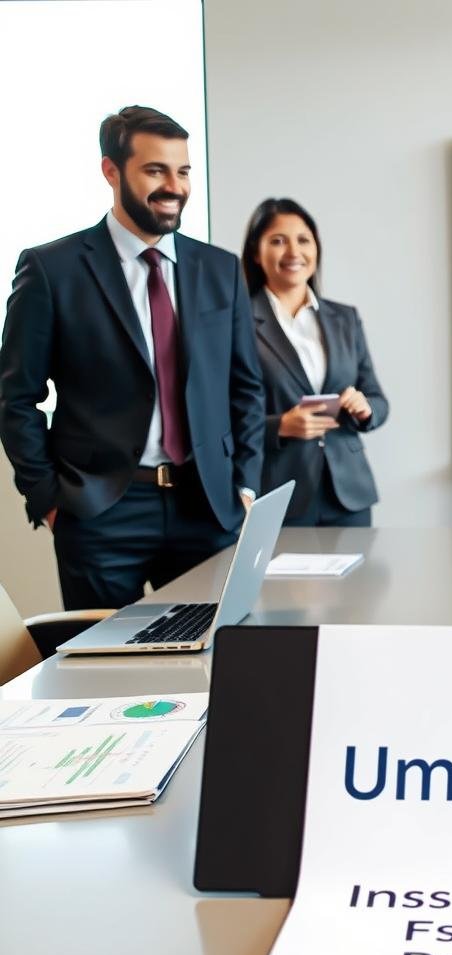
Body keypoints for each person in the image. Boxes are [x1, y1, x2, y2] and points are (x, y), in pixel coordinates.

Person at [0, 106, 264, 610]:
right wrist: (49, 499)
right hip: (100, 513)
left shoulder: (220, 269)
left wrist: (245, 485)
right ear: (111, 170)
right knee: (104, 656)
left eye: (183, 171)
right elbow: (15, 398)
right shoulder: (51, 269)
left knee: (213, 651)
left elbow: (245, 388)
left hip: (206, 507)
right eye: (155, 170)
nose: (174, 186)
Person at [241, 198, 388, 526]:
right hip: (280, 491)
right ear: (256, 253)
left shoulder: (345, 318)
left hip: (348, 494)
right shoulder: (238, 322)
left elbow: (378, 399)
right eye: (278, 241)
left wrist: (365, 408)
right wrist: (280, 426)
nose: (294, 251)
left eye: (303, 240)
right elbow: (224, 416)